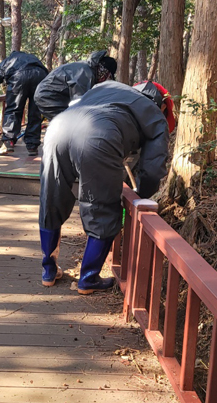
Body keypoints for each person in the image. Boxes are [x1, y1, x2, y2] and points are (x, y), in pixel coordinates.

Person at [38, 80, 170, 294]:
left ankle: (48, 271)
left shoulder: (108, 87)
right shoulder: (155, 114)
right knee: (101, 207)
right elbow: (153, 167)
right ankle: (88, 278)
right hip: (98, 135)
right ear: (159, 103)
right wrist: (141, 195)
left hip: (57, 128)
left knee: (51, 199)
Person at [0, 50, 49, 156]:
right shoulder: (33, 58)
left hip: (19, 77)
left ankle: (8, 142)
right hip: (40, 76)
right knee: (35, 112)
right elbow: (46, 72)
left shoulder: (9, 60)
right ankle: (32, 145)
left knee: (14, 109)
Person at [33, 50, 117, 120]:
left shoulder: (87, 69)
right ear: (105, 72)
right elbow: (79, 103)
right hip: (48, 96)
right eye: (107, 77)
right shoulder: (86, 73)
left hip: (53, 95)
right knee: (67, 123)